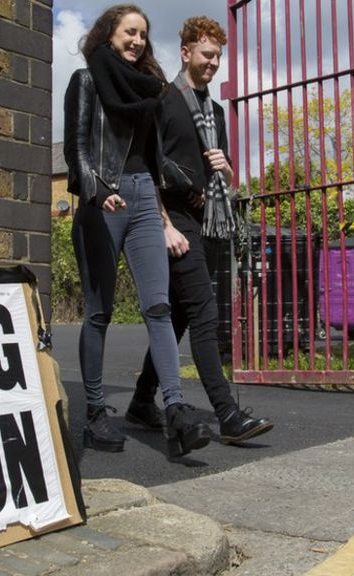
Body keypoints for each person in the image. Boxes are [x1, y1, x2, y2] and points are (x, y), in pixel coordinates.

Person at [63, 4, 210, 459]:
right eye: (130, 32)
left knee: (159, 307)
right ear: (109, 34)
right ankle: (93, 414)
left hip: (145, 197)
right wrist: (95, 189)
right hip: (102, 200)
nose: (138, 41)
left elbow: (152, 157)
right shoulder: (86, 81)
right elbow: (77, 149)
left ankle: (178, 410)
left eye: (144, 34)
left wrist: (191, 178)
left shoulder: (152, 90)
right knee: (99, 312)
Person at [125, 16, 274, 443]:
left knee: (177, 321)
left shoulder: (216, 111)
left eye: (218, 57)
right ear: (186, 52)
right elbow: (146, 168)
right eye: (207, 55)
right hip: (174, 222)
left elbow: (217, 174)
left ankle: (140, 401)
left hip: (209, 222)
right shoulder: (163, 100)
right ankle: (228, 414)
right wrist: (164, 225)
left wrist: (228, 170)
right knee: (205, 315)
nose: (213, 63)